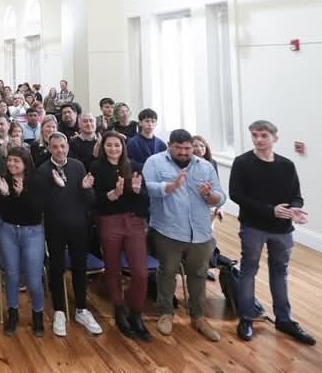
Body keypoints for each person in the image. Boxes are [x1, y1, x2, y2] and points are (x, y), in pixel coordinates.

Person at [230, 120, 315, 345]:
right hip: (253, 227)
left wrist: (295, 208)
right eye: (255, 135)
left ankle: (284, 320)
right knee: (249, 271)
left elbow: (296, 195)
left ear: (275, 138)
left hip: (282, 230)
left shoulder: (286, 165)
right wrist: (271, 210)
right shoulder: (242, 163)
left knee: (280, 273)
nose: (258, 140)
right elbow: (236, 195)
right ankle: (246, 318)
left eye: (264, 136)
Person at [143, 129, 225, 342]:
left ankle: (198, 317)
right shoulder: (155, 162)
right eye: (178, 148)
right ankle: (166, 313)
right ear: (169, 145)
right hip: (168, 229)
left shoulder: (204, 166)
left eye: (187, 148)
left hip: (200, 231)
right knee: (167, 272)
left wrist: (210, 195)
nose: (183, 152)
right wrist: (171, 186)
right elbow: (148, 188)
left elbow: (221, 197)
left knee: (198, 274)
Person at [38, 132, 103, 337]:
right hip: (55, 228)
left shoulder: (77, 166)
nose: (59, 150)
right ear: (49, 148)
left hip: (79, 227)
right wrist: (56, 188)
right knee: (57, 269)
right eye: (55, 147)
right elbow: (41, 204)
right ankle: (59, 311)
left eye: (62, 146)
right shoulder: (43, 170)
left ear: (67, 147)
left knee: (79, 269)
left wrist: (86, 189)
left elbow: (90, 199)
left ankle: (82, 309)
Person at [92, 131, 151, 341]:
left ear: (122, 147)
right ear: (103, 147)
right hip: (109, 222)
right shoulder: (96, 167)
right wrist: (112, 195)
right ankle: (118, 310)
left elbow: (145, 201)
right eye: (109, 145)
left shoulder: (134, 166)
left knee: (140, 272)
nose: (113, 149)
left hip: (133, 222)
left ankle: (136, 313)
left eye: (117, 145)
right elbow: (94, 201)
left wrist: (136, 191)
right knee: (113, 269)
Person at [0, 147, 46, 337]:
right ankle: (13, 313)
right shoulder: (4, 179)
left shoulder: (37, 180)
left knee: (33, 279)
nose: (12, 164)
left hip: (32, 232)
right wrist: (5, 194)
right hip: (8, 231)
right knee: (12, 276)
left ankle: (38, 314)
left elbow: (37, 210)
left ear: (25, 163)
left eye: (16, 161)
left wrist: (22, 192)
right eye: (9, 160)